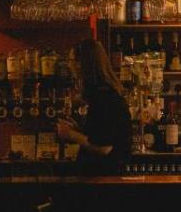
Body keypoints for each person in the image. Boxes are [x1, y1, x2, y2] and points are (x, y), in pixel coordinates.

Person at [56, 39, 131, 176]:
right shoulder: (105, 92)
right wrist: (78, 130)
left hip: (103, 177)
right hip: (104, 175)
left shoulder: (103, 96)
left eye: (71, 60)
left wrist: (70, 134)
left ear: (81, 63)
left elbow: (104, 147)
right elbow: (99, 135)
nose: (69, 65)